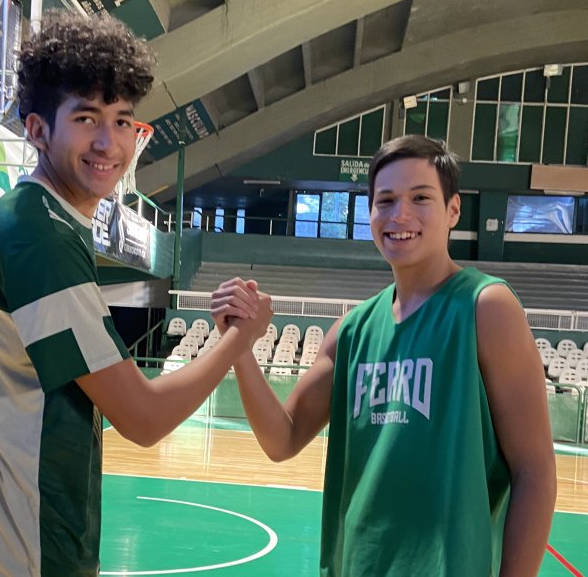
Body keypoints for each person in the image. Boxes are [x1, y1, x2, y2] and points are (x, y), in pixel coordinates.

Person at [0, 12, 272, 577]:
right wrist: (240, 340)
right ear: (38, 130)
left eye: (123, 121)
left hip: (19, 543)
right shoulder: (37, 236)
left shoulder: (46, 222)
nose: (108, 141)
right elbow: (142, 419)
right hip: (22, 553)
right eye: (86, 117)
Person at [226, 135, 556, 576]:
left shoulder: (485, 307)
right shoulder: (352, 329)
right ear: (370, 214)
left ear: (452, 210)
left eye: (420, 198)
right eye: (386, 201)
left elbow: (534, 470)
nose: (400, 215)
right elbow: (282, 439)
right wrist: (240, 347)